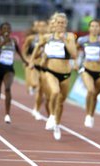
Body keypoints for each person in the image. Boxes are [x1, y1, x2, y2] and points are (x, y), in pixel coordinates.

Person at [30, 12, 77, 140]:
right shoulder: (47, 37)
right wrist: (31, 62)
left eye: (63, 23)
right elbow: (37, 47)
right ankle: (51, 116)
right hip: (51, 71)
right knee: (54, 93)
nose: (60, 25)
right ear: (54, 24)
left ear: (66, 24)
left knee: (61, 102)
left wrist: (64, 40)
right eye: (58, 23)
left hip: (66, 74)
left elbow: (74, 54)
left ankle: (57, 125)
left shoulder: (70, 36)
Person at [0, 22, 28, 123]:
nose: (6, 30)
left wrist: (25, 61)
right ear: (1, 31)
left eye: (8, 29)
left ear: (11, 31)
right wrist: (2, 44)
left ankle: (7, 114)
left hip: (9, 69)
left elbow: (19, 52)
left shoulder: (13, 41)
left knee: (7, 88)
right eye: (4, 29)